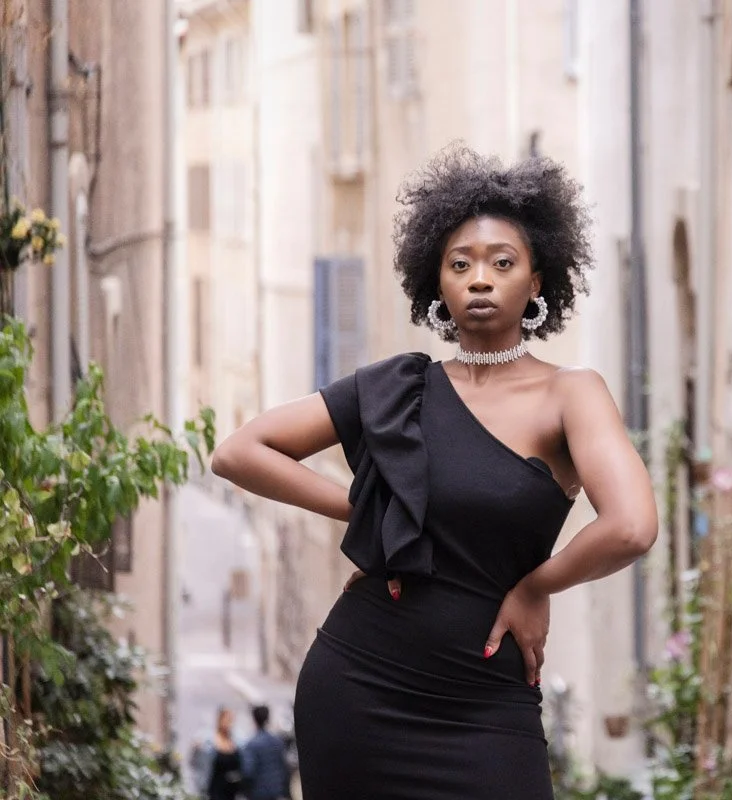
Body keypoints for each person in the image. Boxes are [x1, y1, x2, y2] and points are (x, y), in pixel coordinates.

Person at [211, 145, 658, 799]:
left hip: (488, 705)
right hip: (359, 687)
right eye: (460, 264)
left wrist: (538, 586)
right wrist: (368, 505)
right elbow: (238, 452)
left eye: (502, 263)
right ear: (437, 283)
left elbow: (633, 525)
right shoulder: (399, 390)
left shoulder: (571, 394)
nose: (480, 279)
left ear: (536, 281)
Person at [191, 707, 243, 800]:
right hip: (215, 788)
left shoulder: (237, 741)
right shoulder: (208, 741)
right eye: (227, 719)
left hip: (233, 790)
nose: (229, 723)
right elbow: (195, 762)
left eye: (231, 720)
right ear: (220, 719)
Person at [241, 705, 292, 800]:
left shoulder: (252, 745)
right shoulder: (278, 741)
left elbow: (248, 771)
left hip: (258, 793)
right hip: (277, 791)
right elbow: (285, 767)